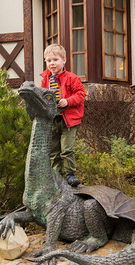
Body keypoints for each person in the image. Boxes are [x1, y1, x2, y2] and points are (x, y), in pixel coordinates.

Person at [40, 44, 86, 187]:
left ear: (64, 60)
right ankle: (56, 175)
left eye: (55, 60)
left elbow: (81, 95)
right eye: (48, 60)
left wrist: (67, 101)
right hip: (52, 119)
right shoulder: (45, 80)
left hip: (69, 120)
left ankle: (70, 175)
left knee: (67, 149)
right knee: (54, 150)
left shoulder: (72, 78)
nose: (52, 63)